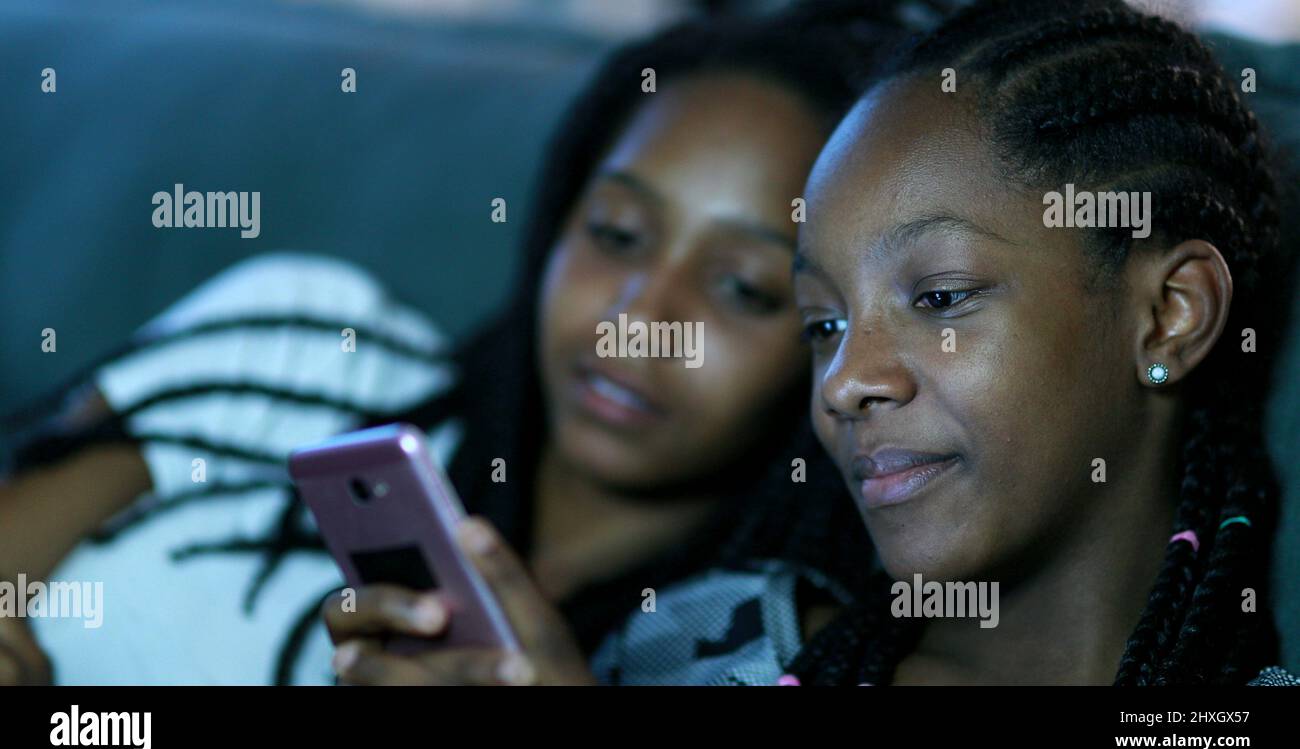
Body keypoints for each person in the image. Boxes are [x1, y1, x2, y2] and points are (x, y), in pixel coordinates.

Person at [0, 3, 915, 685]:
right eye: (617, 233)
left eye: (744, 287)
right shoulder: (306, 344)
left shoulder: (752, 650)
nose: (638, 315)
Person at [596, 0, 1300, 686]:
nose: (843, 382)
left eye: (939, 298)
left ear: (1170, 313)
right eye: (824, 326)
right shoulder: (696, 646)